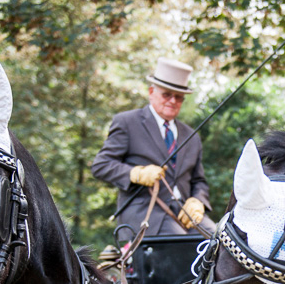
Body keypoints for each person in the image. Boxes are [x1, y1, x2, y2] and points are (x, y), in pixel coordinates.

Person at [92, 57, 214, 237]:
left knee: (222, 242)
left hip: (184, 213)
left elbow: (199, 181)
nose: (173, 101)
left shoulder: (191, 136)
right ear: (151, 92)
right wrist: (136, 173)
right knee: (180, 245)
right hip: (146, 214)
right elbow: (101, 166)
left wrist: (198, 201)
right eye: (167, 94)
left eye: (179, 97)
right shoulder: (127, 122)